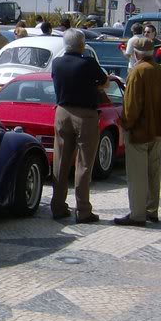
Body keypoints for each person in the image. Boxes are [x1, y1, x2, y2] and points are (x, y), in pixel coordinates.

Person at [50, 29, 108, 223]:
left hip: (62, 111)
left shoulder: (57, 63)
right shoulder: (88, 63)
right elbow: (104, 82)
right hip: (85, 114)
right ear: (82, 45)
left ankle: (57, 206)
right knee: (84, 163)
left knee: (60, 161)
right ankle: (83, 209)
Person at [116, 38, 161, 226]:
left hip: (139, 131)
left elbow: (131, 106)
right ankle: (152, 210)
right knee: (153, 173)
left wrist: (126, 124)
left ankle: (137, 214)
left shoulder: (137, 72)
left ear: (136, 54)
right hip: (158, 131)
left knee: (137, 174)